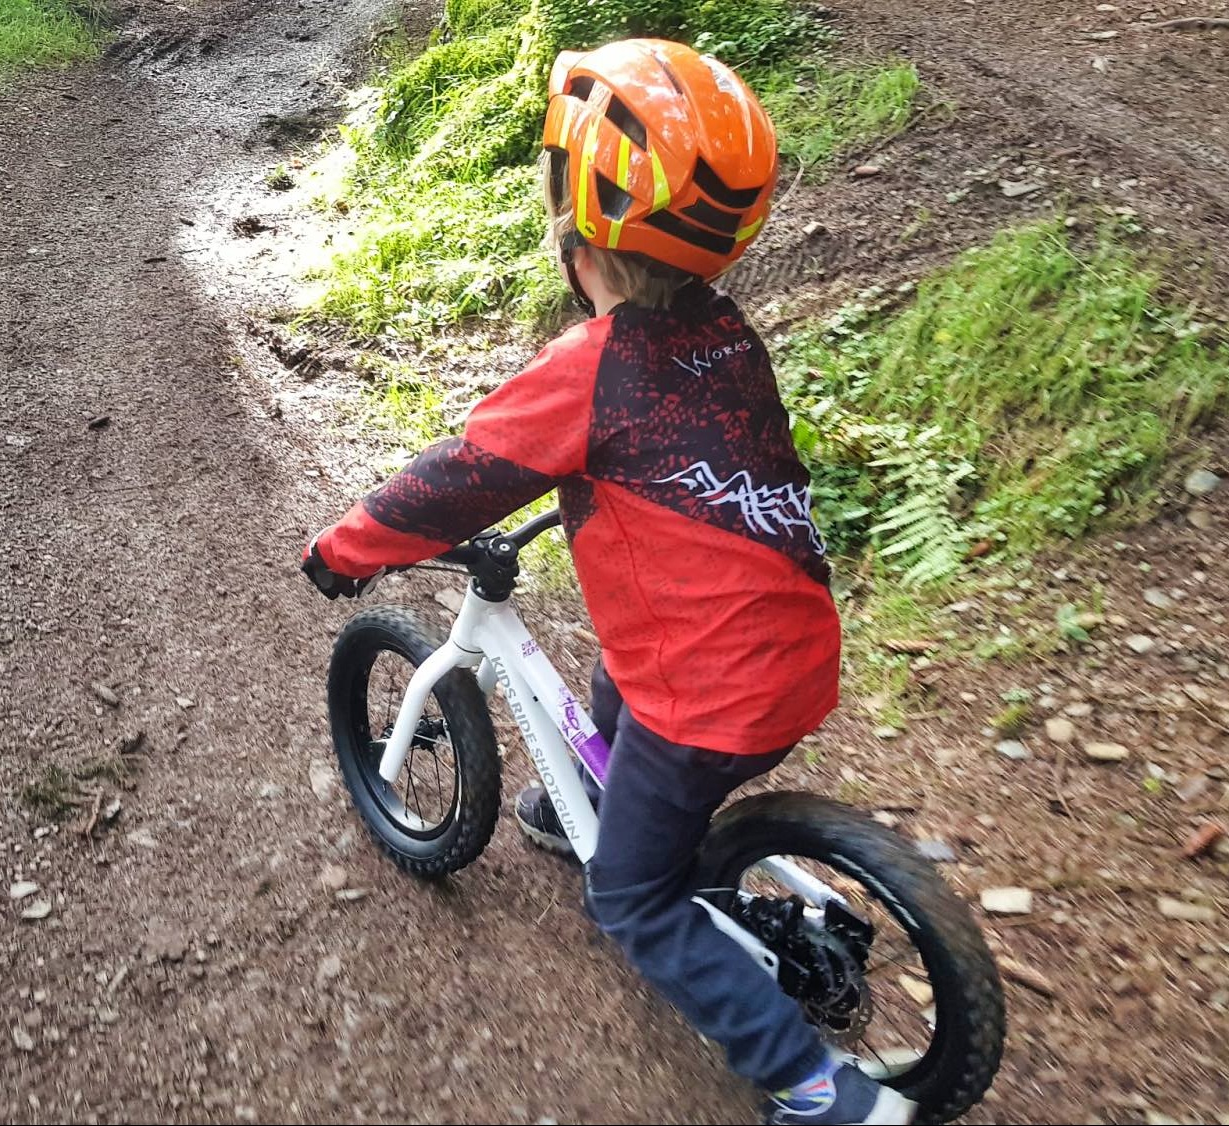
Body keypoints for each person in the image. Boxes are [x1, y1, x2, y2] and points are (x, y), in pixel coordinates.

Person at [302, 37, 916, 1126]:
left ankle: (818, 1087)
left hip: (709, 697)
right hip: (792, 651)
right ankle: (569, 801)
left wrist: (348, 547)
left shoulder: (590, 369)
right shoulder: (727, 336)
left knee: (630, 894)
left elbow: (459, 479)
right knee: (616, 677)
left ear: (574, 229)